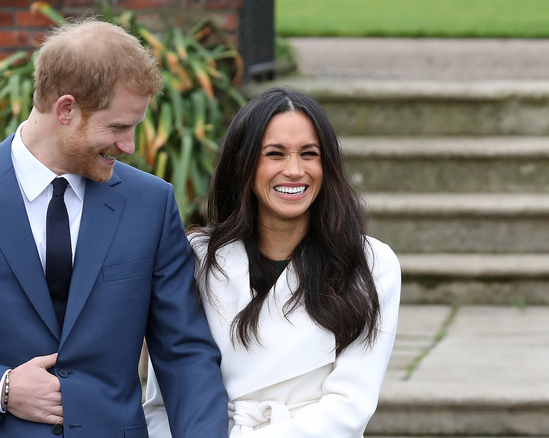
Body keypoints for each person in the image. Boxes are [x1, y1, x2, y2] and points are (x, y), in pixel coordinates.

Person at [0, 19, 229, 437]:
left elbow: (184, 354)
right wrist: (0, 389)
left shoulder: (150, 203)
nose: (129, 145)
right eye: (118, 127)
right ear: (66, 109)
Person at [143, 87, 401, 437]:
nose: (294, 170)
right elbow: (166, 400)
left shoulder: (368, 264)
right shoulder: (196, 258)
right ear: (243, 165)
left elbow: (349, 405)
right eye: (275, 154)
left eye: (309, 154)